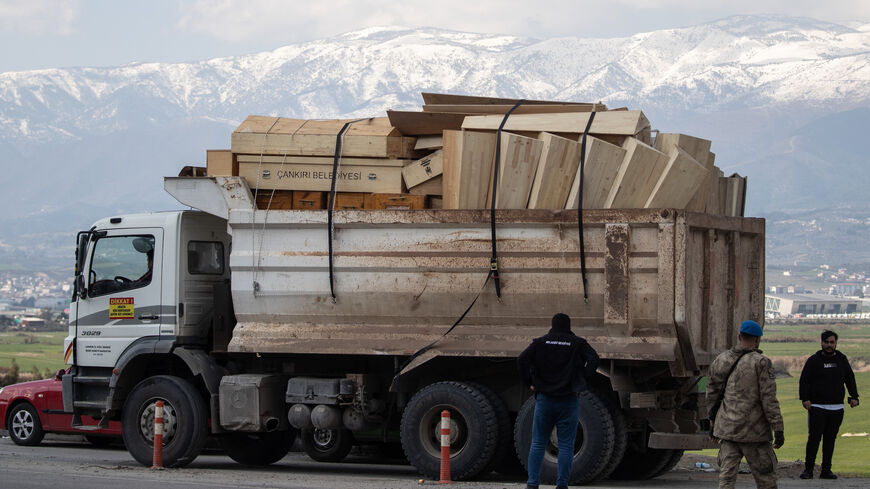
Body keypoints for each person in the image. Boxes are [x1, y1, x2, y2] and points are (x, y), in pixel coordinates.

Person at [517, 313, 599, 489]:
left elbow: (521, 360)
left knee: (538, 442)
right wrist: (581, 378)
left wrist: (530, 382)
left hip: (545, 400)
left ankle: (532, 484)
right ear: (569, 326)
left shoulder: (540, 342)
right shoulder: (577, 343)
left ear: (552, 325)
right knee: (566, 445)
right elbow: (594, 359)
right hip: (568, 400)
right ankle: (562, 484)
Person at [707, 320, 784, 489]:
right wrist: (778, 428)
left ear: (739, 336)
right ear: (757, 340)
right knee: (766, 479)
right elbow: (769, 399)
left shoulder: (721, 359)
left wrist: (712, 424)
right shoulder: (761, 362)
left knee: (726, 480)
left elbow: (712, 395)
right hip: (754, 432)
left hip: (727, 430)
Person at [798, 330, 860, 480]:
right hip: (817, 406)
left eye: (832, 342)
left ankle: (826, 470)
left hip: (837, 407)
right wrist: (805, 398)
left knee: (830, 440)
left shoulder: (841, 359)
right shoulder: (814, 360)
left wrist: (854, 396)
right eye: (826, 342)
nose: (829, 345)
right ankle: (808, 470)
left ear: (836, 343)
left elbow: (849, 378)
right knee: (814, 439)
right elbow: (804, 380)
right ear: (821, 343)